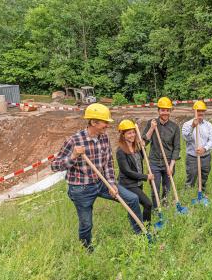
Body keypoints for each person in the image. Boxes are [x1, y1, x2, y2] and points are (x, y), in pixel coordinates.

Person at [51, 103, 143, 253]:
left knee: (132, 199)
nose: (107, 125)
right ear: (93, 122)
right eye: (105, 122)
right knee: (86, 223)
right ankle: (87, 250)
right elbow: (54, 166)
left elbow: (108, 163)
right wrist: (73, 156)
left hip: (102, 183)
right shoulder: (74, 141)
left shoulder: (104, 138)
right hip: (81, 188)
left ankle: (140, 235)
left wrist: (112, 184)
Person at [142, 97, 181, 207]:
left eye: (167, 110)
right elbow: (144, 142)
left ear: (170, 111)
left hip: (168, 162)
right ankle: (155, 209)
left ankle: (165, 205)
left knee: (167, 187)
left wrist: (171, 166)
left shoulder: (174, 127)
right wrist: (151, 128)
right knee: (155, 187)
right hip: (154, 162)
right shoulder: (152, 123)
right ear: (158, 111)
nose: (165, 112)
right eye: (162, 110)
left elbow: (177, 148)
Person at [116, 119, 154, 223]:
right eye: (129, 133)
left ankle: (137, 226)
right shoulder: (120, 151)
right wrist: (146, 177)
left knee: (134, 206)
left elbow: (142, 157)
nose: (132, 135)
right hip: (128, 184)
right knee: (148, 204)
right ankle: (147, 227)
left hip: (138, 183)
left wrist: (142, 147)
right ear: (123, 135)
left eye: (133, 132)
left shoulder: (136, 146)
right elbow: (126, 171)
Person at [182, 100, 212, 193]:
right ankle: (188, 194)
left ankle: (202, 192)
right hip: (192, 157)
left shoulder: (209, 125)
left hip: (206, 156)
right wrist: (193, 126)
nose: (200, 113)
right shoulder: (187, 124)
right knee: (191, 176)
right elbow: (186, 138)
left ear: (204, 112)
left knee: (204, 175)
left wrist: (204, 149)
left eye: (202, 111)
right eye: (198, 111)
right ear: (194, 111)